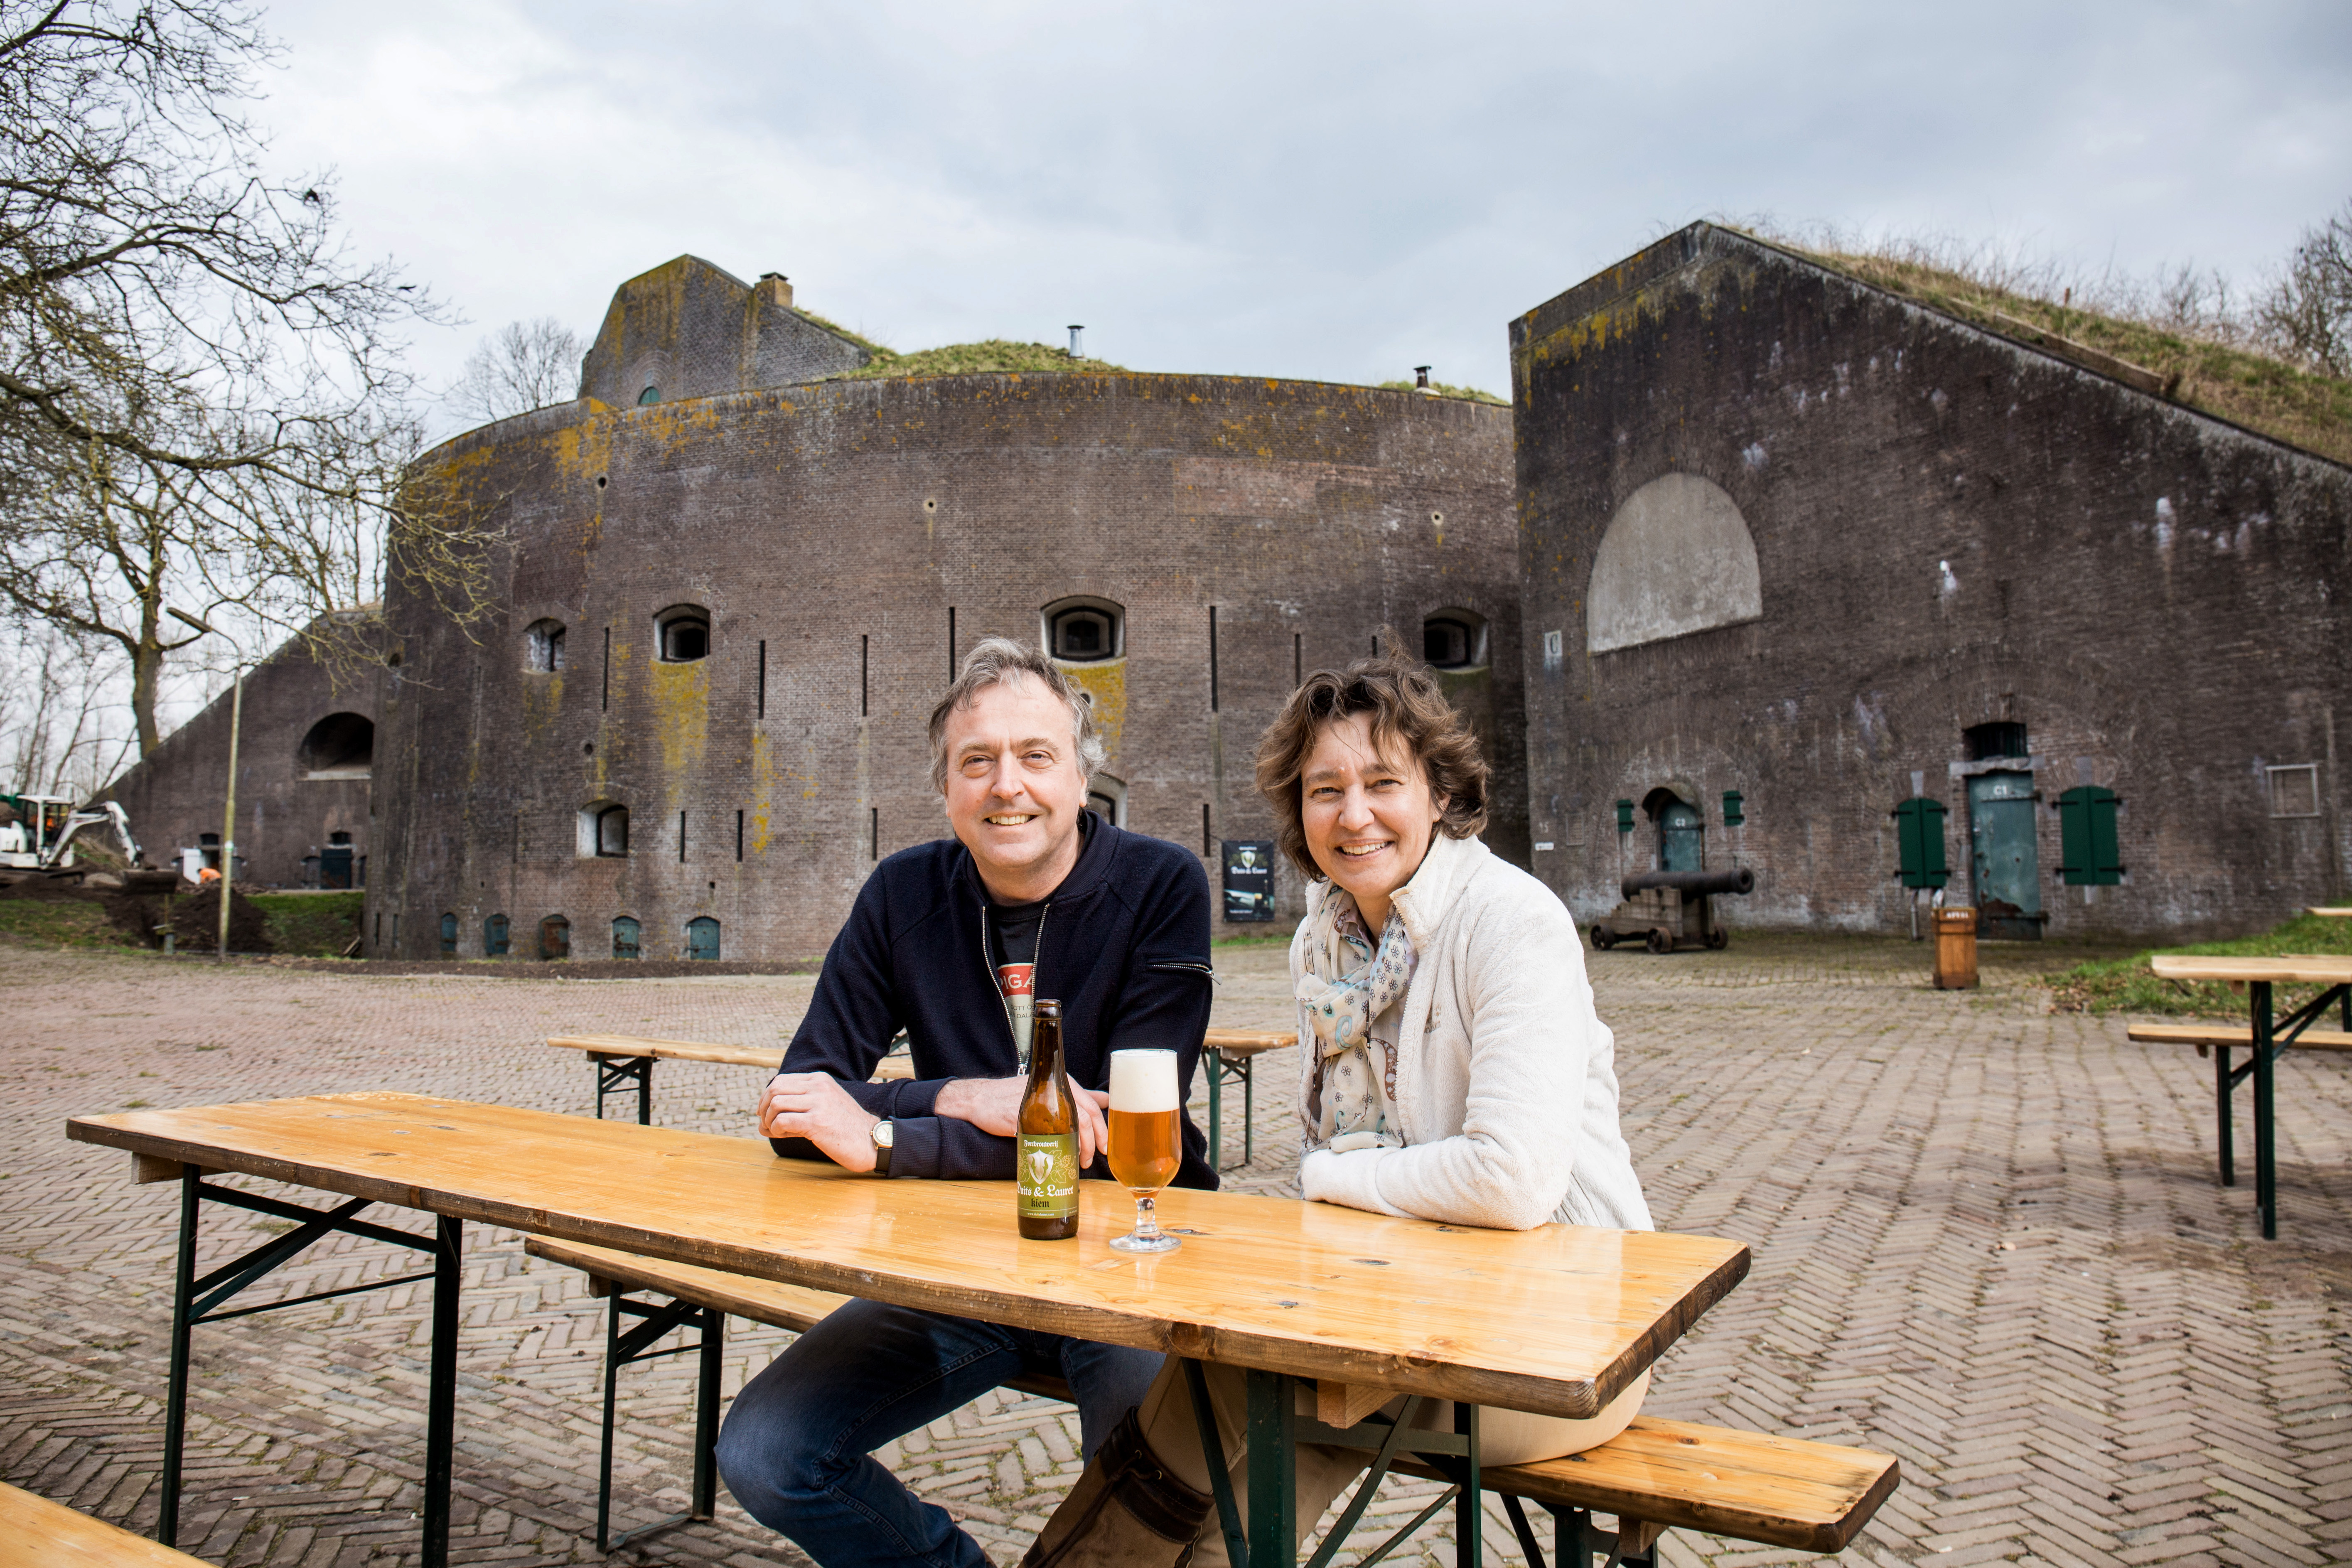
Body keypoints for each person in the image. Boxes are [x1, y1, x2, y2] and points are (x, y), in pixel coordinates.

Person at [1024, 657, 1652, 1568]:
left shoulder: (1512, 922)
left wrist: (1326, 1179)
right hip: (1402, 1310)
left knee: (1236, 1381)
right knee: (1228, 1426)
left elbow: (1509, 1178)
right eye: (1325, 790)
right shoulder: (1323, 941)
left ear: (1437, 793)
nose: (1353, 815)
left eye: (1381, 783)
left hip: (1564, 1335)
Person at [713, 637, 1218, 1568]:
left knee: (1146, 1513)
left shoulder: (1160, 886)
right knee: (768, 1454)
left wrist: (887, 1140)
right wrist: (961, 1095)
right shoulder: (903, 892)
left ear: (1081, 776)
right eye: (975, 761)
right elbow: (799, 1109)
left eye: (1035, 756)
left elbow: (1113, 1142)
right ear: (944, 786)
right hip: (965, 1264)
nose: (1005, 786)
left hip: (1127, 1259)